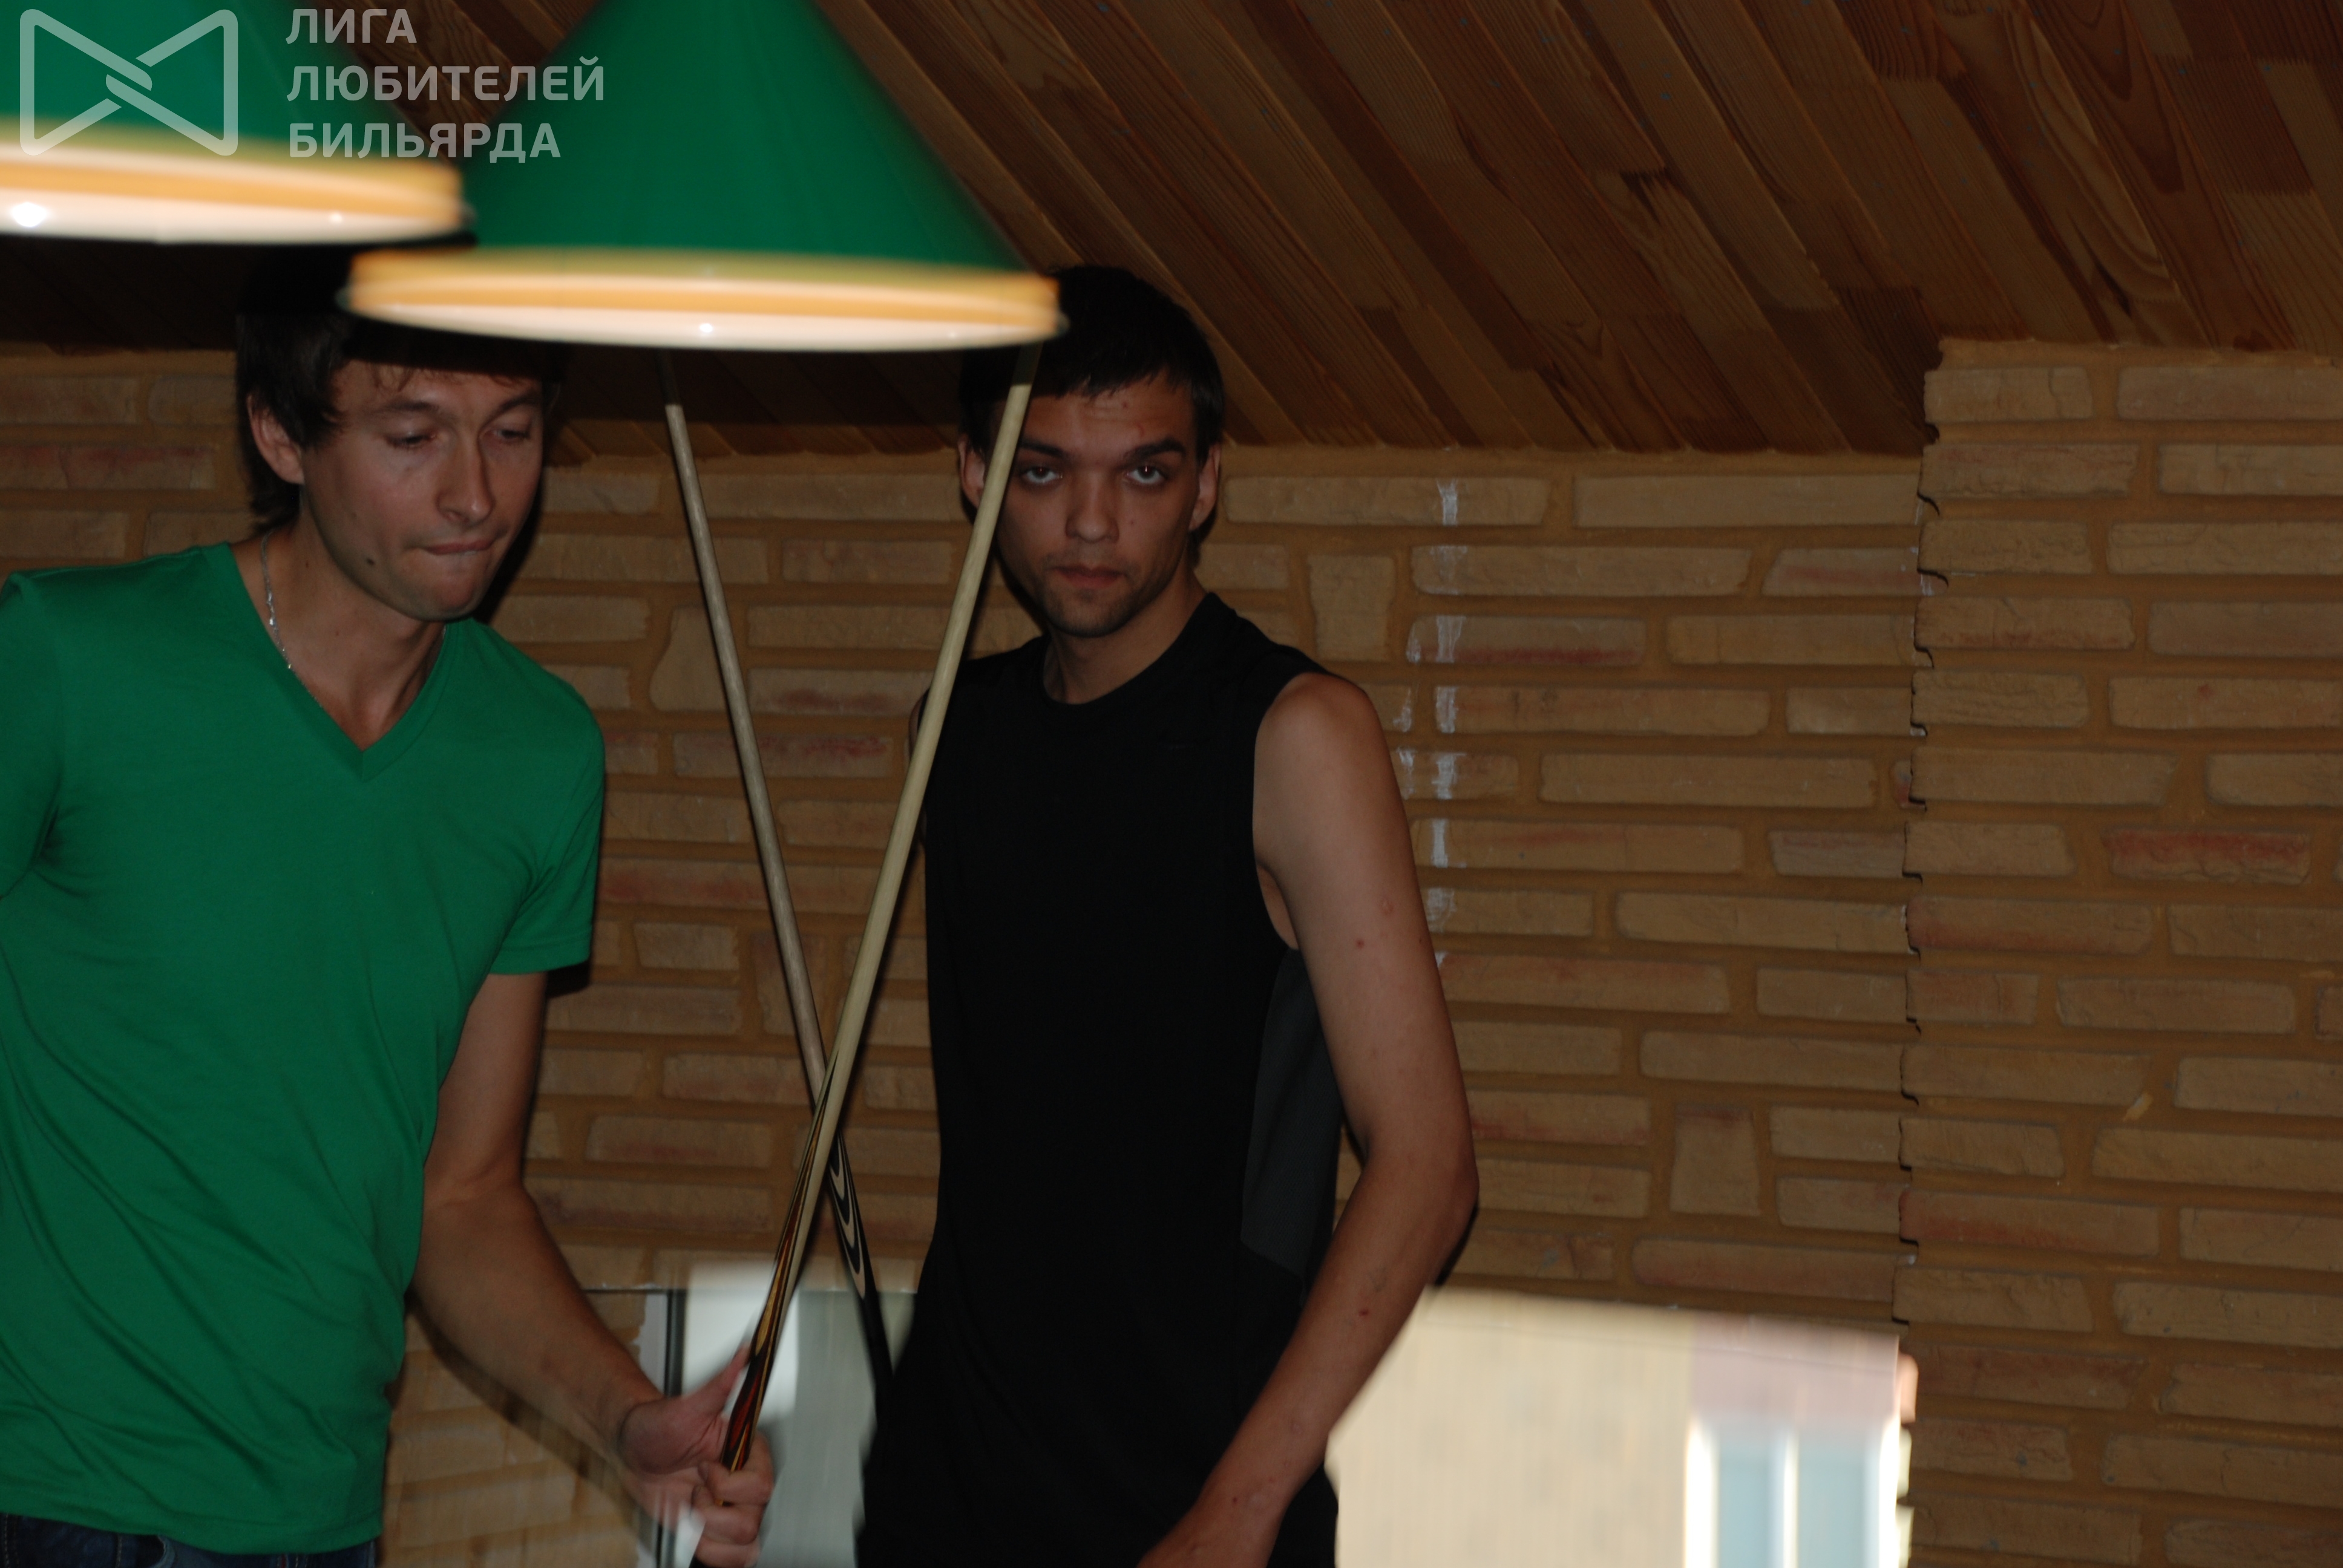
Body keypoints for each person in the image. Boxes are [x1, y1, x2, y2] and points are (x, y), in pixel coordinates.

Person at [0, 255, 772, 1567]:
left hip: (323, 1514)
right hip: (48, 1493)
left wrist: (627, 1418)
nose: (477, 494)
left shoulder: (537, 755)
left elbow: (461, 1197)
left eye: (512, 431)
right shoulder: (67, 660)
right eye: (413, 437)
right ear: (279, 435)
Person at [857, 266, 1478, 1567]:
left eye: (1144, 473)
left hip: (1196, 1501)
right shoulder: (952, 733)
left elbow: (1427, 1166)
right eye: (1043, 473)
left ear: (1205, 486)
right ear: (974, 474)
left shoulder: (1295, 736)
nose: (1092, 522)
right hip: (942, 1494)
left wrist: (1238, 1512)